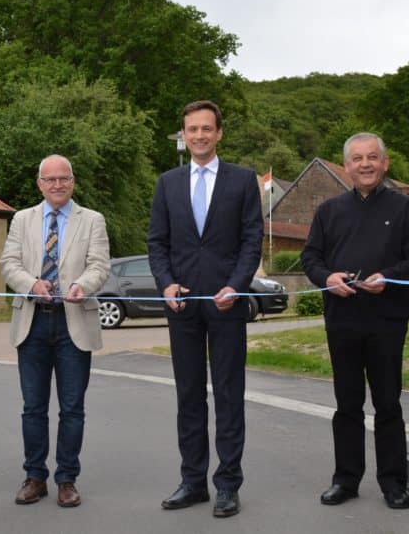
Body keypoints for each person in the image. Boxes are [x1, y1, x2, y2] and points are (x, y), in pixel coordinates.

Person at [300, 132, 409, 511]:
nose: (366, 164)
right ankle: (346, 479)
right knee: (347, 403)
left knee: (388, 402)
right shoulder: (328, 211)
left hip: (387, 319)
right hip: (342, 319)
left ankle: (393, 482)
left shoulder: (405, 209)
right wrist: (327, 278)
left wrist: (388, 277)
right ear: (346, 167)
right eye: (357, 159)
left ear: (385, 163)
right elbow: (311, 258)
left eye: (373, 157)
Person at [146, 100, 263, 518]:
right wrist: (166, 284)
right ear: (184, 134)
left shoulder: (243, 180)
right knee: (189, 396)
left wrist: (236, 284)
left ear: (219, 134)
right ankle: (192, 481)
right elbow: (157, 243)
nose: (198, 136)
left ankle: (227, 484)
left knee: (229, 396)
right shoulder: (168, 183)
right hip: (183, 308)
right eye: (191, 130)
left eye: (206, 129)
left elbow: (252, 241)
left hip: (227, 304)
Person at [0, 155, 111, 508]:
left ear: (73, 181)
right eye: (50, 179)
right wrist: (31, 284)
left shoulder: (92, 220)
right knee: (33, 407)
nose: (57, 184)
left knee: (72, 408)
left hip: (73, 321)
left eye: (64, 178)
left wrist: (83, 284)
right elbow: (8, 264)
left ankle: (67, 479)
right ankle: (35, 477)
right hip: (32, 321)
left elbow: (100, 266)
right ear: (40, 184)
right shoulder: (21, 219)